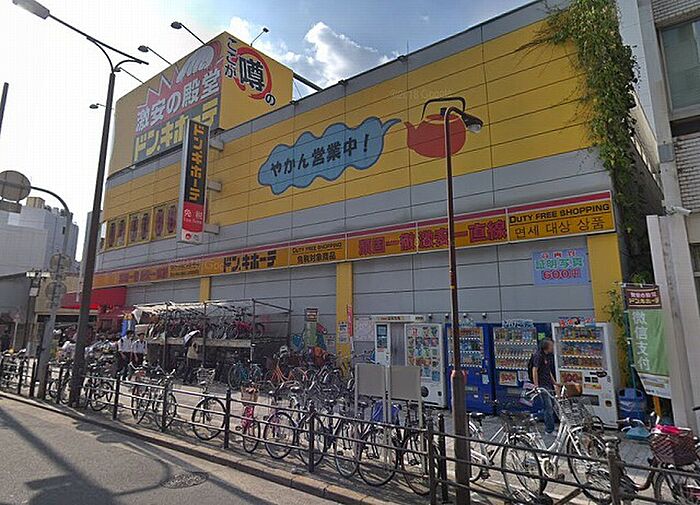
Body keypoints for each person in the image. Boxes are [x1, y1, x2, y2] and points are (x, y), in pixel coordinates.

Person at [530, 338, 558, 434]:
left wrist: (554, 382)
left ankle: (548, 424)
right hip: (542, 385)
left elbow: (548, 370)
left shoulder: (547, 356)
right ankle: (549, 430)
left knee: (551, 406)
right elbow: (534, 370)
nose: (553, 347)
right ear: (546, 346)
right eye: (551, 345)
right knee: (548, 407)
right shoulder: (538, 356)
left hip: (548, 384)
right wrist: (536, 386)